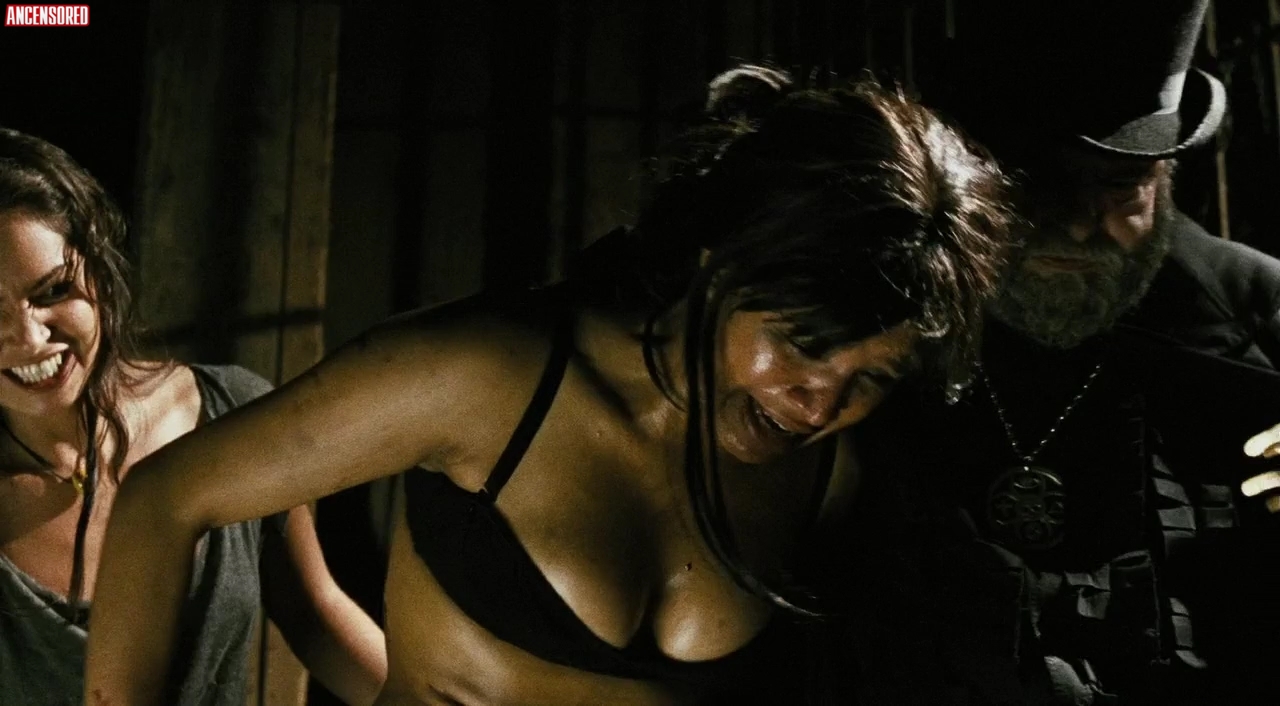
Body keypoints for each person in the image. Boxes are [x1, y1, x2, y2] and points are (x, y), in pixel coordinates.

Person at [82, 66, 1013, 706]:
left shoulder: (837, 475)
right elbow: (167, 498)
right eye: (801, 345)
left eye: (871, 375)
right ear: (719, 261)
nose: (821, 403)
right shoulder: (487, 377)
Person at [832, 1, 1280, 704]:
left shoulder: (1262, 319)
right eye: (1038, 182)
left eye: (1119, 185)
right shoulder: (881, 310)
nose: (1075, 224)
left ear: (1164, 177)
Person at [0, 128, 387, 706]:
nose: (30, 337)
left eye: (53, 291)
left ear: (100, 270)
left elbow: (317, 618)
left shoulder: (229, 415)